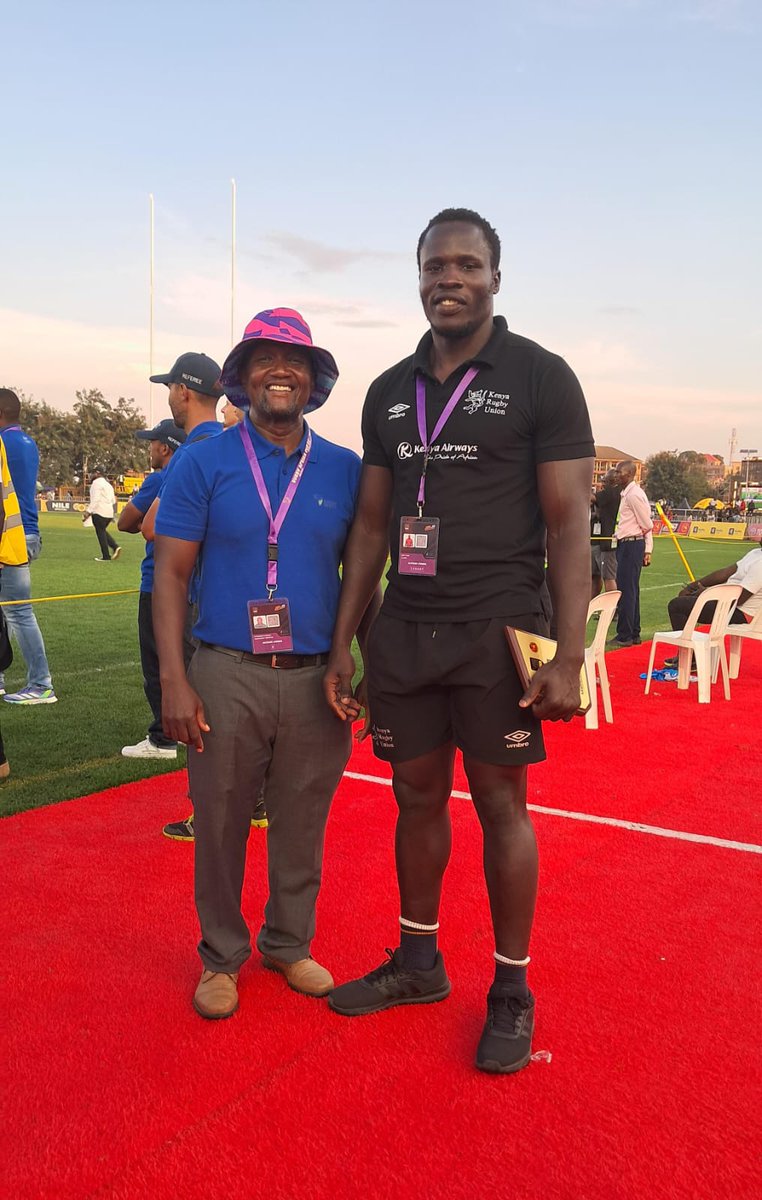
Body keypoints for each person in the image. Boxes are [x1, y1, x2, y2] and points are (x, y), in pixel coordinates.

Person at [323, 208, 594, 1075]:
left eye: (467, 265)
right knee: (414, 796)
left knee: (501, 804)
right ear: (418, 277)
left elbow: (570, 525)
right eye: (435, 265)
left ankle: (511, 988)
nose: (450, 277)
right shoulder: (388, 390)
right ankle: (419, 961)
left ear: (495, 278)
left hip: (496, 626)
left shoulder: (541, 377)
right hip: (405, 628)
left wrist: (571, 656)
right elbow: (372, 528)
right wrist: (344, 643)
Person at [153, 308, 374, 1019]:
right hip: (225, 670)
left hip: (315, 677)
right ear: (242, 379)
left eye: (295, 361)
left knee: (303, 819)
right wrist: (174, 680)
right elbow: (171, 576)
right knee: (219, 821)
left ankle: (287, 942)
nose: (280, 371)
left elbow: (364, 577)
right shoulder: (203, 461)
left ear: (313, 380)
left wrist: (364, 663)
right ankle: (221, 955)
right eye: (265, 360)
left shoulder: (345, 468)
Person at [118, 419, 186, 759]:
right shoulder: (193, 474)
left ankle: (163, 739)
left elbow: (127, 522)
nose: (149, 449)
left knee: (157, 662)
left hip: (157, 581)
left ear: (165, 447)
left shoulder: (160, 479)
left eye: (152, 443)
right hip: (190, 583)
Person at [0, 389, 57, 705]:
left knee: (19, 611)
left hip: (11, 536)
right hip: (26, 533)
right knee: (10, 610)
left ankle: (41, 684)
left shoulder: (4, 443)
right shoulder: (26, 442)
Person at [663, 539, 762, 663]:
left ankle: (689, 657)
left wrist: (707, 594)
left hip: (741, 613)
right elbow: (725, 573)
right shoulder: (755, 553)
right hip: (729, 604)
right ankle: (690, 654)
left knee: (677, 606)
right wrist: (693, 586)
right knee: (683, 600)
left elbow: (739, 599)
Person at [609, 460, 652, 648]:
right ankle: (633, 632)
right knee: (631, 589)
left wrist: (647, 548)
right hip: (628, 543)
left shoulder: (634, 495)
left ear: (628, 474)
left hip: (631, 544)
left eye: (619, 472)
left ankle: (625, 634)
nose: (616, 475)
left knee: (626, 590)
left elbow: (647, 524)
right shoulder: (627, 494)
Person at [591, 469, 621, 599]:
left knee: (608, 577)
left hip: (607, 541)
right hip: (597, 540)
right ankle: (590, 605)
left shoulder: (612, 492)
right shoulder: (611, 493)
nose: (602, 484)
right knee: (595, 576)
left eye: (605, 481)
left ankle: (611, 607)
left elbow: (591, 498)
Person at [85, 468, 120, 562]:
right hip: (108, 512)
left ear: (97, 473)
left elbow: (95, 499)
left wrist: (88, 511)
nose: (91, 476)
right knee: (102, 531)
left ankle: (106, 555)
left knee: (100, 533)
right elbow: (113, 500)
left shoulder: (96, 484)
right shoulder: (108, 485)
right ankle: (114, 547)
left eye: (92, 473)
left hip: (99, 511)